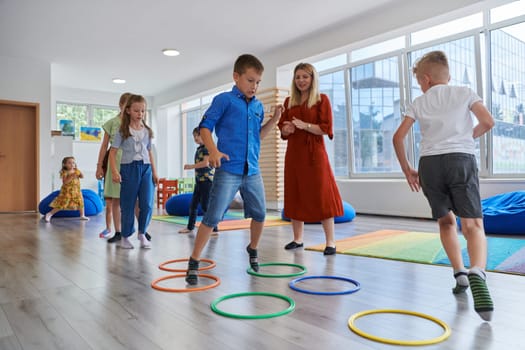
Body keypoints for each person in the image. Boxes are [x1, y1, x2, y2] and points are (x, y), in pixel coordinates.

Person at [392, 50, 495, 321]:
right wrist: (466, 137)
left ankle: (460, 273)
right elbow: (487, 122)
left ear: (425, 79)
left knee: (446, 222)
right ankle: (477, 271)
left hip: (430, 165)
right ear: (446, 76)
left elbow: (398, 137)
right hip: (460, 160)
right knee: (473, 224)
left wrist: (408, 170)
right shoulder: (464, 92)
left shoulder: (419, 101)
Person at [185, 54, 283, 285]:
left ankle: (253, 248)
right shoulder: (224, 100)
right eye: (250, 80)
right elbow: (205, 128)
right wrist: (214, 151)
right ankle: (194, 261)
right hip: (228, 169)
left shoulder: (258, 105)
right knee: (213, 216)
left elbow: (258, 136)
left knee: (260, 215)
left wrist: (275, 120)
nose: (255, 86)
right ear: (236, 77)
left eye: (258, 82)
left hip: (253, 171)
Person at [278, 62, 343, 255]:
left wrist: (303, 125)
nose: (301, 81)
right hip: (294, 155)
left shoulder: (322, 100)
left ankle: (330, 242)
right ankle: (298, 239)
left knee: (322, 195)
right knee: (295, 193)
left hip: (315, 155)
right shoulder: (289, 101)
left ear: (312, 78)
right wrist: (287, 129)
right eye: (298, 77)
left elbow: (325, 128)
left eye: (305, 76)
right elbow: (283, 129)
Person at [109, 94, 158, 249]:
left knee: (147, 204)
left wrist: (155, 172)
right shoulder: (122, 131)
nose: (140, 114)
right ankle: (125, 236)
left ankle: (142, 233)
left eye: (143, 111)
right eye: (137, 111)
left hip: (146, 169)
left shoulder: (147, 131)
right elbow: (112, 152)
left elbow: (150, 152)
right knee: (128, 204)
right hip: (128, 169)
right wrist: (115, 172)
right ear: (128, 110)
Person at [96, 92, 131, 242]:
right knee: (115, 200)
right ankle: (117, 231)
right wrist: (99, 166)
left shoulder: (134, 123)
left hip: (131, 163)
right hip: (114, 162)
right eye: (126, 106)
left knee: (131, 200)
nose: (129, 109)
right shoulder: (112, 123)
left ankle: (134, 231)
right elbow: (104, 146)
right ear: (121, 105)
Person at [178, 127, 218, 234]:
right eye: (194, 136)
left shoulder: (207, 148)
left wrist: (191, 166)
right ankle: (190, 227)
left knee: (206, 205)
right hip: (199, 181)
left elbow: (205, 163)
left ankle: (214, 228)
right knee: (193, 204)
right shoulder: (200, 148)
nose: (195, 138)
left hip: (207, 181)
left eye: (198, 135)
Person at [45, 156, 89, 222]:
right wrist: (72, 176)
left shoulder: (76, 170)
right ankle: (49, 214)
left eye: (73, 163)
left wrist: (80, 172)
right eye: (69, 163)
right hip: (67, 191)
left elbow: (82, 177)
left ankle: (82, 215)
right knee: (62, 203)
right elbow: (65, 182)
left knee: (80, 202)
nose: (72, 164)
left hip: (76, 190)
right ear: (65, 164)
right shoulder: (65, 172)